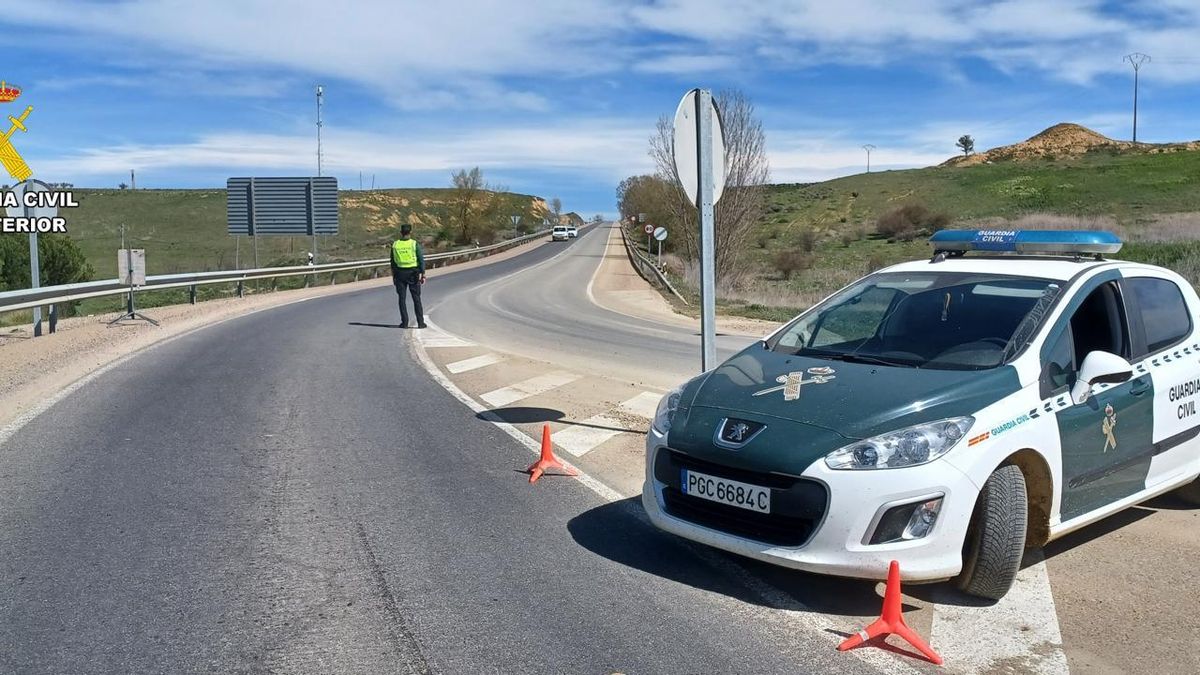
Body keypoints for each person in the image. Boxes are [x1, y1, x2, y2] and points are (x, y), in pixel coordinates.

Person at [390, 224, 426, 328]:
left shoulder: (395, 244)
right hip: (413, 273)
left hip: (399, 274)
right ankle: (420, 323)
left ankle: (404, 323)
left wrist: (393, 276)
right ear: (410, 232)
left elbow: (392, 262)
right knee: (416, 298)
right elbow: (421, 259)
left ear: (401, 232)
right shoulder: (414, 244)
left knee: (402, 299)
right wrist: (423, 274)